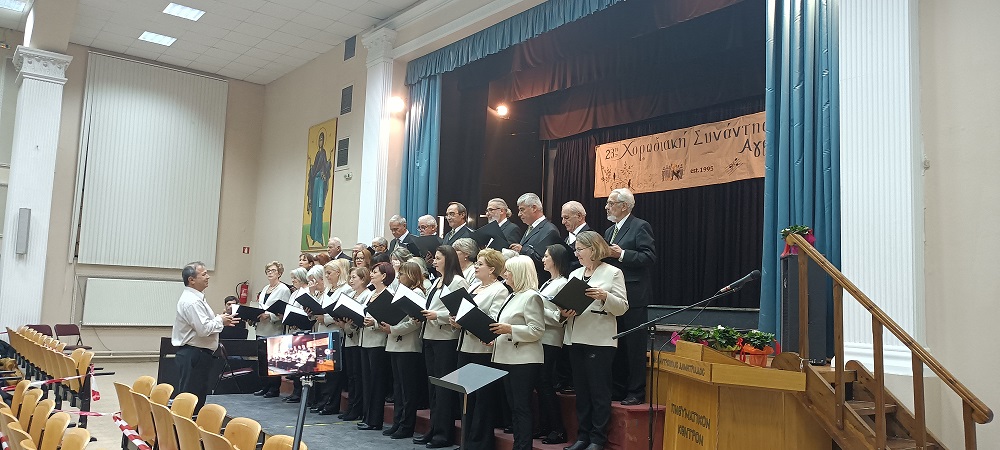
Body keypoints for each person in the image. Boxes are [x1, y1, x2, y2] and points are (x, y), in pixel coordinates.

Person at [562, 231, 628, 450]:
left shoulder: (613, 272)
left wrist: (605, 296)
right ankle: (583, 436)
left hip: (599, 339)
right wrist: (563, 311)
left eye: (580, 249)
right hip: (575, 337)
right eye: (576, 250)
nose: (577, 253)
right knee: (581, 391)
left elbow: (622, 307)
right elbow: (566, 303)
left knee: (599, 391)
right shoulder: (575, 273)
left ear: (593, 248)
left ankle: (598, 438)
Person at [603, 188, 656, 405]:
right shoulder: (609, 231)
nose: (607, 207)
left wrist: (622, 254)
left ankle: (636, 391)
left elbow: (649, 257)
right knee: (617, 344)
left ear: (624, 206)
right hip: (613, 295)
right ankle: (618, 388)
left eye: (611, 203)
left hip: (634, 295)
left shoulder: (640, 226)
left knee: (634, 346)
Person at [452, 248, 508, 450]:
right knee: (465, 397)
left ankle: (480, 443)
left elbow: (493, 320)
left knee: (481, 399)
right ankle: (466, 441)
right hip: (465, 345)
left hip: (482, 349)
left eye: (480, 264)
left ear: (492, 269)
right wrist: (456, 321)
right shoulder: (474, 286)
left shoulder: (499, 290)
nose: (475, 266)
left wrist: (468, 320)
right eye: (476, 263)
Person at [413, 245, 468, 448]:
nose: (434, 261)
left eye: (438, 258)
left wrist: (438, 315)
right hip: (430, 335)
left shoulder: (458, 281)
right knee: (433, 387)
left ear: (449, 259)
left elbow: (461, 309)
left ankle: (444, 434)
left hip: (446, 338)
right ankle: (434, 428)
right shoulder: (437, 281)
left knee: (444, 387)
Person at [490, 255, 545, 450]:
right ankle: (518, 444)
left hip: (524, 359)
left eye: (508, 271)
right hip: (509, 356)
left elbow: (537, 330)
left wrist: (510, 329)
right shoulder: (512, 295)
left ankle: (523, 446)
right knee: (514, 406)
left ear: (519, 273)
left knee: (521, 407)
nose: (505, 274)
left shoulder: (531, 296)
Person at [171, 261, 239, 413]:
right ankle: (187, 426)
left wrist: (220, 320)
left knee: (196, 395)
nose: (208, 277)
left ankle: (189, 424)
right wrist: (220, 320)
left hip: (196, 354)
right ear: (191, 280)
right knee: (192, 399)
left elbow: (203, 324)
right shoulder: (192, 301)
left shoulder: (196, 298)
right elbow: (203, 329)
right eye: (204, 274)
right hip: (194, 354)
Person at [380, 261, 426, 439]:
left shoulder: (417, 293)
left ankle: (407, 425)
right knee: (398, 387)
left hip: (408, 345)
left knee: (408, 388)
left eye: (402, 274)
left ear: (412, 275)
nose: (399, 278)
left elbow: (415, 322)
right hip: (395, 343)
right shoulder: (400, 292)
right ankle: (398, 421)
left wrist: (394, 329)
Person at [534, 244, 574, 444]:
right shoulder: (548, 282)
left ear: (556, 259)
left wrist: (538, 310)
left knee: (545, 382)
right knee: (540, 383)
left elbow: (561, 317)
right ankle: (545, 425)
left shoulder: (563, 283)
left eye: (546, 256)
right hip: (541, 337)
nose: (543, 259)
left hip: (551, 338)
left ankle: (558, 429)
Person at [312, 259, 352, 415]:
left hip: (335, 333)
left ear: (338, 273)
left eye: (329, 273)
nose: (327, 276)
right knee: (324, 370)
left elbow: (342, 312)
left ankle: (331, 404)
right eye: (326, 273)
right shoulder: (328, 289)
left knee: (333, 373)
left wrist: (326, 318)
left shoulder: (346, 289)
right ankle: (323, 401)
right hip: (322, 332)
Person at [358, 262, 393, 431]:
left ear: (384, 276)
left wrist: (375, 323)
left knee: (377, 381)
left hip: (378, 342)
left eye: (375, 272)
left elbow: (389, 319)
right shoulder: (370, 294)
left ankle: (375, 419)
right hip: (365, 339)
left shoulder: (388, 294)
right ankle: (367, 415)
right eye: (371, 271)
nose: (371, 274)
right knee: (367, 380)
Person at [338, 267, 372, 421]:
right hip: (349, 337)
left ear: (363, 279)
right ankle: (351, 406)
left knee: (358, 376)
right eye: (350, 277)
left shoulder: (367, 295)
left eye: (354, 277)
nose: (351, 280)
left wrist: (350, 324)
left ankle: (357, 408)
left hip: (359, 339)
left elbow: (362, 316)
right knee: (351, 375)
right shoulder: (351, 295)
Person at [254, 261, 291, 398]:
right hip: (261, 328)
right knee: (262, 359)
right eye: (268, 271)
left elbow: (284, 311)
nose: (270, 273)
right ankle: (264, 386)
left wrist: (270, 315)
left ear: (279, 273)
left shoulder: (283, 289)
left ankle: (274, 388)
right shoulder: (265, 289)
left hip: (274, 328)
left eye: (273, 270)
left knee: (273, 360)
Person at [510, 193, 561, 283]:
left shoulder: (549, 230)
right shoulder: (530, 228)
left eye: (522, 210)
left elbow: (543, 260)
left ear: (534, 208)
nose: (519, 214)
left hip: (538, 282)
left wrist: (522, 249)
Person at [308, 132, 331, 246]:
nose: (320, 142)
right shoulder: (318, 153)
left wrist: (329, 162)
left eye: (322, 140)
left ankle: (318, 236)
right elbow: (314, 170)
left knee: (319, 208)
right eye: (319, 140)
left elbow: (325, 168)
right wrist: (311, 167)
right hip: (316, 184)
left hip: (320, 184)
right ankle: (313, 235)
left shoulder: (323, 153)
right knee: (314, 209)